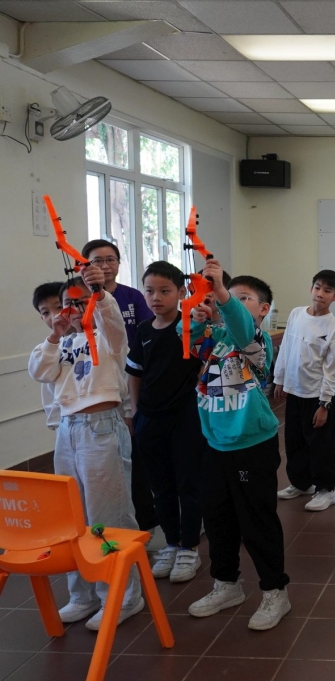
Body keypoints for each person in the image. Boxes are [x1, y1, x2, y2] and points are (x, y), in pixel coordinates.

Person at [27, 265, 144, 630]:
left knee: (108, 515)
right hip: (68, 431)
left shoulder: (109, 338)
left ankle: (123, 595)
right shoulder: (60, 343)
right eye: (67, 303)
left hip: (102, 428)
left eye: (82, 302)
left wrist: (99, 292)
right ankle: (82, 595)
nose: (74, 310)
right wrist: (54, 334)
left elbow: (111, 319)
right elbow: (40, 371)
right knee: (72, 517)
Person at [182, 262, 291, 631]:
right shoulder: (214, 338)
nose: (232, 302)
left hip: (252, 444)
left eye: (245, 298)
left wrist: (223, 295)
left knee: (256, 522)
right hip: (215, 443)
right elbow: (187, 340)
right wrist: (197, 313)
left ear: (263, 309)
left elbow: (241, 326)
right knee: (217, 519)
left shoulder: (257, 342)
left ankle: (275, 590)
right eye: (231, 296)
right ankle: (226, 584)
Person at [125, 262, 205, 583]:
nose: (155, 297)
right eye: (149, 291)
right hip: (149, 418)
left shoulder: (190, 326)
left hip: (185, 418)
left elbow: (206, 363)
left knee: (188, 483)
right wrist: (135, 411)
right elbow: (135, 373)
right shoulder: (144, 330)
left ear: (181, 293)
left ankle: (189, 547)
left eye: (164, 291)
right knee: (160, 486)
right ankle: (171, 543)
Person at [82, 239, 158, 538]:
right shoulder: (79, 296)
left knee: (134, 451)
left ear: (118, 263)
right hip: (98, 387)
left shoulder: (132, 296)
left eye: (110, 259)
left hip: (131, 378)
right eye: (97, 260)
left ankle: (144, 519)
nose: (104, 266)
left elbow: (146, 332)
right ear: (85, 266)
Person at [274, 270, 335, 512]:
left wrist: (325, 404)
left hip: (317, 396)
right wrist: (279, 379)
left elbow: (332, 370)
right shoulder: (296, 314)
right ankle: (301, 483)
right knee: (294, 441)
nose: (320, 294)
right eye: (317, 287)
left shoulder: (333, 328)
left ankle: (327, 490)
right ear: (311, 288)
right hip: (295, 391)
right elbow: (286, 347)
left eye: (327, 290)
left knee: (322, 445)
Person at [32, 282, 65, 433]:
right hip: (63, 424)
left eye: (59, 307)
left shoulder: (95, 339)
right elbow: (43, 379)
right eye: (46, 313)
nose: (54, 316)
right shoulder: (46, 349)